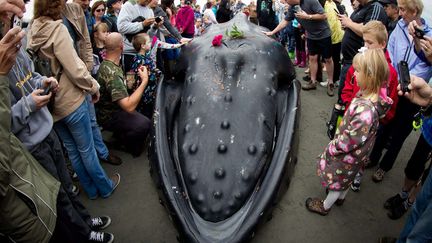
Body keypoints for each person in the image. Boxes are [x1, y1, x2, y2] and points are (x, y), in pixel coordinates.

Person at [28, 0, 120, 200]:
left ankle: (91, 190)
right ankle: (105, 187)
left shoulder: (32, 30)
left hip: (52, 103)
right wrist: (93, 86)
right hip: (71, 98)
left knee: (72, 150)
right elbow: (75, 68)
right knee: (86, 149)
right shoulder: (57, 29)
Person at [305, 48, 392, 216]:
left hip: (347, 155)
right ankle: (340, 198)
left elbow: (351, 140)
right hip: (358, 156)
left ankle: (325, 206)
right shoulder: (373, 99)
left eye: (358, 71)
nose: (354, 74)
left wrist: (334, 147)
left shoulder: (365, 112)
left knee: (339, 181)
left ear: (370, 77)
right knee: (347, 178)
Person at [368, 0, 431, 183]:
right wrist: (393, 76)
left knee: (399, 134)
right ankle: (373, 157)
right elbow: (392, 51)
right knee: (383, 126)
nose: (400, 12)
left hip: (412, 93)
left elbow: (426, 66)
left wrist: (406, 81)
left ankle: (384, 167)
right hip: (392, 86)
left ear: (415, 10)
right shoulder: (399, 27)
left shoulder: (429, 36)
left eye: (403, 9)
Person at [339, 21, 399, 191]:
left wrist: (381, 120)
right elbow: (348, 84)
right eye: (364, 41)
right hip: (351, 115)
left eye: (370, 43)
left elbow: (391, 102)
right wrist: (346, 103)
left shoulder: (390, 73)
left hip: (372, 125)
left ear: (383, 44)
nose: (366, 46)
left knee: (362, 153)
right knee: (344, 146)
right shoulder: (359, 62)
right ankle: (339, 175)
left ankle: (355, 177)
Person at [63, 1, 123, 166]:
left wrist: (87, 68)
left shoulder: (79, 12)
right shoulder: (52, 19)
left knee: (92, 120)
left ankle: (101, 153)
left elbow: (85, 42)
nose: (85, 2)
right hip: (67, 80)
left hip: (83, 72)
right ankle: (86, 163)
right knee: (76, 132)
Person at [378, 75, 432, 243]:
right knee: (420, 205)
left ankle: (408, 202)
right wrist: (430, 100)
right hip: (429, 131)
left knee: (423, 231)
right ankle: (404, 198)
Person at [96, 33, 152, 157]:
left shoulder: (107, 64)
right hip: (109, 115)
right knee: (145, 124)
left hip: (108, 108)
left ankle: (120, 135)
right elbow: (128, 106)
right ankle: (126, 144)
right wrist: (144, 81)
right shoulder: (113, 73)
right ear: (121, 47)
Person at [264, 0, 335, 96]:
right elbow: (285, 21)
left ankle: (330, 82)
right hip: (311, 36)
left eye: (286, 0)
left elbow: (324, 15)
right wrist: (272, 32)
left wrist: (308, 16)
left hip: (324, 35)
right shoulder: (292, 7)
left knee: (328, 59)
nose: (285, 2)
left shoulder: (311, 1)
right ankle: (313, 82)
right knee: (312, 58)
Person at [336, 0, 387, 104]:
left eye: (368, 42)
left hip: (359, 63)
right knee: (344, 93)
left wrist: (349, 23)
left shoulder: (375, 8)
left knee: (353, 93)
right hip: (350, 61)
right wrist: (347, 26)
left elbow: (369, 30)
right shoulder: (361, 7)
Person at [130, 33, 183, 117]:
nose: (151, 43)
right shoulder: (141, 61)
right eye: (148, 42)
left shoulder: (141, 57)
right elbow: (147, 77)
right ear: (143, 46)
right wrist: (158, 74)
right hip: (146, 94)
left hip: (149, 92)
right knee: (147, 111)